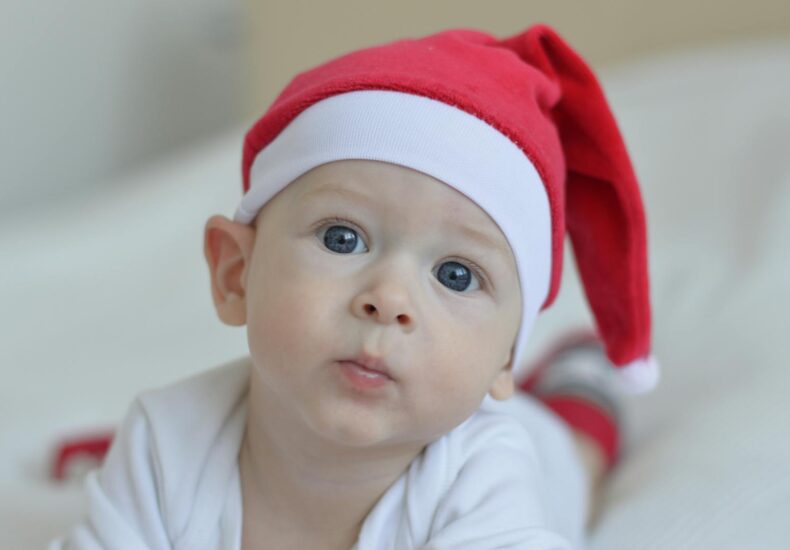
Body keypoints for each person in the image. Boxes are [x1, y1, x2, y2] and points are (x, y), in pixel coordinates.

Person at [49, 22, 659, 549]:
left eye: (456, 275)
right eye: (343, 239)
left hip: (541, 441)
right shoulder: (165, 440)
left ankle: (583, 378)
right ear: (236, 273)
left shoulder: (485, 480)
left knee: (577, 450)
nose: (388, 299)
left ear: (505, 353)